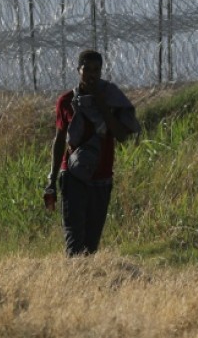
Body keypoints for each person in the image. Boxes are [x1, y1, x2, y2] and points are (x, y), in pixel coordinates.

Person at [44, 49, 141, 256]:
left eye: (96, 70)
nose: (91, 74)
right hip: (72, 176)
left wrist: (101, 104)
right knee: (74, 240)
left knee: (91, 244)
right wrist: (52, 180)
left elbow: (121, 135)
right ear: (78, 71)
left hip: (101, 177)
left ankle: (87, 282)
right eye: (86, 69)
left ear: (101, 72)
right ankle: (73, 282)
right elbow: (60, 141)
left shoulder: (111, 99)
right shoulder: (66, 101)